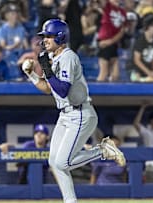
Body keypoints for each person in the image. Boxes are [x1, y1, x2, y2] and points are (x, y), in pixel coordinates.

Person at [21, 18, 125, 203]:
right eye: (44, 37)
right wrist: (32, 74)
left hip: (80, 114)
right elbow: (48, 88)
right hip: (66, 114)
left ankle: (103, 150)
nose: (44, 40)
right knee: (54, 162)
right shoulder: (54, 58)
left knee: (63, 162)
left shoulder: (69, 57)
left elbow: (63, 89)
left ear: (61, 37)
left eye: (49, 37)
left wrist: (46, 68)